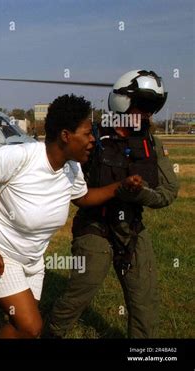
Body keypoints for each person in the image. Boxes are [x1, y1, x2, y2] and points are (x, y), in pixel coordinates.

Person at [0, 94, 143, 338]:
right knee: (32, 327)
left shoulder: (71, 169)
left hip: (33, 262)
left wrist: (119, 187)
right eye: (86, 133)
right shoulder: (23, 156)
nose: (93, 139)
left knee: (23, 330)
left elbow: (82, 198)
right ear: (65, 135)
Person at [48, 70, 179, 338]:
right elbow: (68, 183)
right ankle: (49, 333)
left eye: (151, 110)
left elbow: (168, 192)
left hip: (131, 229)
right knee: (82, 290)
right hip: (94, 225)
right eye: (142, 107)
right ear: (122, 103)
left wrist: (140, 194)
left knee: (145, 302)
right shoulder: (92, 138)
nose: (146, 115)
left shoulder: (151, 144)